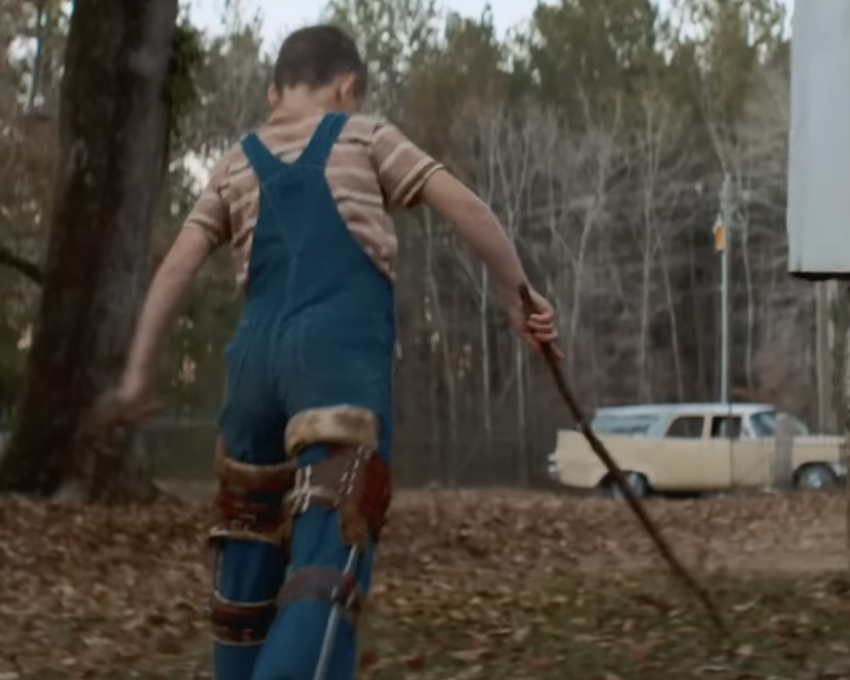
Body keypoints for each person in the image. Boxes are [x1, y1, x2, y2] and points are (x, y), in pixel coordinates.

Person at [102, 24, 559, 680]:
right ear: (348, 87)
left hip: (251, 372)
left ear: (273, 94)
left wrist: (139, 372)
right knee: (327, 563)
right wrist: (520, 294)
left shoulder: (234, 164)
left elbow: (177, 265)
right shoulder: (365, 135)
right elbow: (465, 205)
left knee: (244, 569)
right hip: (336, 368)